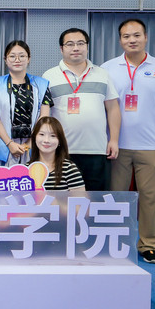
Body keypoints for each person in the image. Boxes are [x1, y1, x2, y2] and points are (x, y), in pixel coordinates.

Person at [102, 18, 155, 265]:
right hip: (116, 145)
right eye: (126, 36)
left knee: (151, 198)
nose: (132, 40)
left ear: (145, 37)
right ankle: (113, 242)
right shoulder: (107, 68)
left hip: (151, 146)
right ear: (120, 40)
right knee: (114, 197)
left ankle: (148, 245)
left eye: (136, 35)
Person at [42, 28, 120, 191]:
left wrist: (113, 140)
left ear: (87, 46)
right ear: (61, 48)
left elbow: (113, 109)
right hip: (61, 150)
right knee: (62, 200)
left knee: (96, 198)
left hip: (97, 150)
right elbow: (44, 115)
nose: (76, 48)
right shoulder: (49, 76)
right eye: (70, 44)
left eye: (80, 43)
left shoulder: (102, 74)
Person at [0, 40, 53, 165]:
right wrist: (9, 143)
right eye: (12, 56)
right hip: (3, 145)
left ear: (28, 59)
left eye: (22, 56)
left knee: (32, 176)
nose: (17, 60)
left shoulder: (42, 84)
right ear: (5, 59)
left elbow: (44, 117)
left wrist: (28, 144)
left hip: (33, 144)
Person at [29, 116, 86, 192]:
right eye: (42, 134)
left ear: (59, 140)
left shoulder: (69, 169)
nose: (46, 140)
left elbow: (80, 199)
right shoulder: (26, 169)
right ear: (34, 138)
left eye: (53, 136)